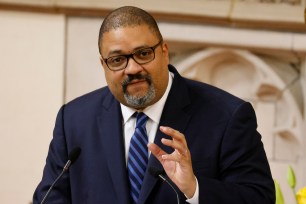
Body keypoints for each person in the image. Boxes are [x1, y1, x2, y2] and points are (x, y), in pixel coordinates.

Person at [33, 6, 275, 204]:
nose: (133, 68)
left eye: (143, 53)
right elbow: (50, 198)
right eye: (117, 60)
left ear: (164, 52)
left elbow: (259, 198)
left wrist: (195, 189)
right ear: (103, 65)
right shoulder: (74, 120)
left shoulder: (227, 116)